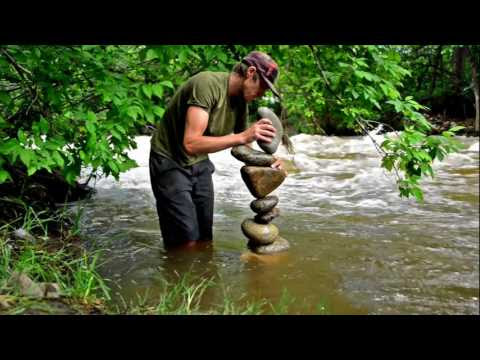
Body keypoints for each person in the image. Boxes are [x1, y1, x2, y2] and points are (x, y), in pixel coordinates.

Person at [149, 50, 284, 250]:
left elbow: (244, 147)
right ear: (250, 73)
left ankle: (201, 278)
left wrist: (269, 161)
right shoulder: (206, 85)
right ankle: (176, 276)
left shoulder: (241, 102)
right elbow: (191, 143)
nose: (262, 94)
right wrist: (242, 136)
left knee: (205, 239)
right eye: (263, 86)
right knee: (186, 240)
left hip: (200, 162)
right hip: (170, 161)